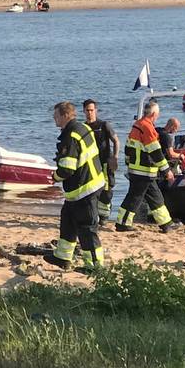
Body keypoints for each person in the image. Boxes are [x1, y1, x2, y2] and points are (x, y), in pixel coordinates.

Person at [46, 102, 107, 270]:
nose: (54, 118)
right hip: (84, 186)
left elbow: (67, 169)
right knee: (68, 221)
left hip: (85, 188)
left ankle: (95, 267)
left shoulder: (71, 136)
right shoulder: (83, 128)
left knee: (87, 229)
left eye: (56, 115)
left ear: (66, 115)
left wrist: (54, 177)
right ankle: (62, 257)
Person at [116, 100, 178, 233]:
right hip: (143, 171)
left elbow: (128, 148)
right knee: (135, 198)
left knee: (155, 197)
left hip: (139, 170)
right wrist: (167, 170)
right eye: (158, 114)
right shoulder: (148, 128)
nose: (158, 117)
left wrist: (128, 163)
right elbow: (155, 152)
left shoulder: (137, 125)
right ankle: (122, 223)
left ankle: (166, 223)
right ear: (154, 114)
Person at [81, 99, 118, 220]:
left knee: (107, 190)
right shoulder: (83, 127)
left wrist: (115, 157)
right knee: (91, 190)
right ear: (83, 111)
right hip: (90, 164)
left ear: (96, 111)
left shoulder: (103, 125)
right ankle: (93, 214)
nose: (89, 113)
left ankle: (104, 217)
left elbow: (116, 141)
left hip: (105, 162)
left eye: (92, 110)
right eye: (87, 110)